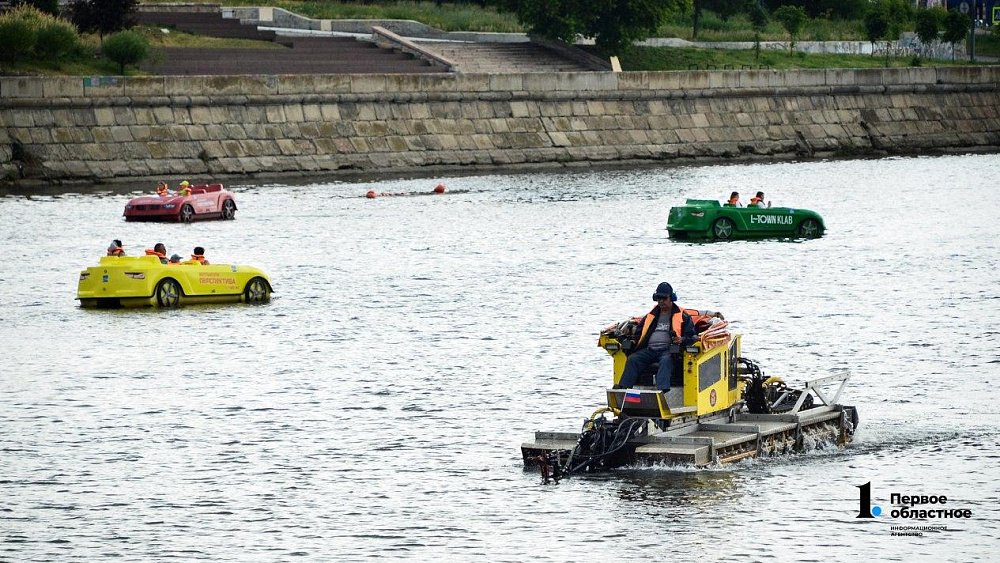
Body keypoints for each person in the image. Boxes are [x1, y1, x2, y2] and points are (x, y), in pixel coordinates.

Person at [615, 282, 697, 392]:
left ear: (671, 298)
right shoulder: (650, 316)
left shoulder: (684, 316)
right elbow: (639, 334)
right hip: (649, 350)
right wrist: (631, 341)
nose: (661, 301)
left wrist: (681, 340)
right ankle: (623, 389)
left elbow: (692, 337)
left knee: (666, 361)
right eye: (658, 298)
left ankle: (662, 392)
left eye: (664, 298)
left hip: (669, 351)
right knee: (633, 359)